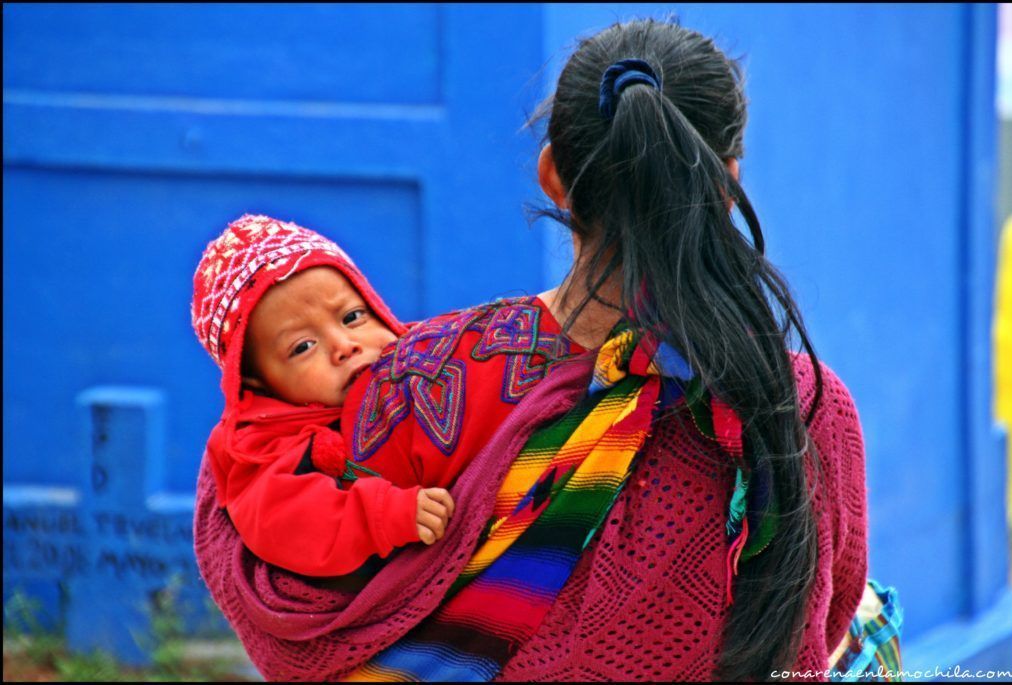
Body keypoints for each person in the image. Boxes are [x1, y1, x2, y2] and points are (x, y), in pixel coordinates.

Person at [194, 18, 885, 681]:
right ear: (727, 184)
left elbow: (306, 607)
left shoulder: (419, 379)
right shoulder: (795, 414)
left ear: (552, 174)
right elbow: (817, 625)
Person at [190, 214, 460, 577]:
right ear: (256, 382)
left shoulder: (433, 360)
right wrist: (387, 515)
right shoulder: (262, 447)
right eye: (303, 346)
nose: (344, 346)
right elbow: (286, 522)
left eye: (352, 317)